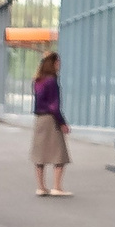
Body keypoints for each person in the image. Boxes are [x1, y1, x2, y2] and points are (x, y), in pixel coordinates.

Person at [30, 52, 70, 197]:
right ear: (52, 63)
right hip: (51, 119)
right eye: (58, 62)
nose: (59, 65)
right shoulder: (52, 81)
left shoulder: (37, 80)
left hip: (39, 120)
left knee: (40, 153)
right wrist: (62, 122)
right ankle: (57, 187)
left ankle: (41, 187)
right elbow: (54, 105)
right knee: (59, 153)